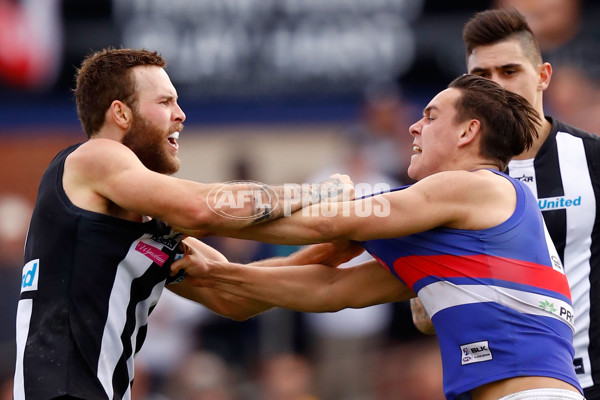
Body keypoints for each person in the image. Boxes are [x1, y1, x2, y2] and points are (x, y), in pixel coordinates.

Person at [172, 74, 584, 400]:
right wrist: (217, 272)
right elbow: (332, 290)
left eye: (431, 116)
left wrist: (194, 214)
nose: (413, 126)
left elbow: (329, 223)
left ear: (467, 133)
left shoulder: (478, 186)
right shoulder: (460, 236)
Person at [13, 47, 355, 400]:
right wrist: (324, 191)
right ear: (120, 113)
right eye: (165, 102)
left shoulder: (145, 226)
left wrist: (329, 252)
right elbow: (202, 209)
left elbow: (233, 298)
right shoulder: (94, 155)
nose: (181, 115)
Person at [409, 8, 600, 399]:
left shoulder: (591, 160)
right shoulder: (449, 181)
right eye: (481, 78)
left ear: (543, 75)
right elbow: (424, 317)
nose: (496, 87)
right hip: (497, 387)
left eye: (509, 71)